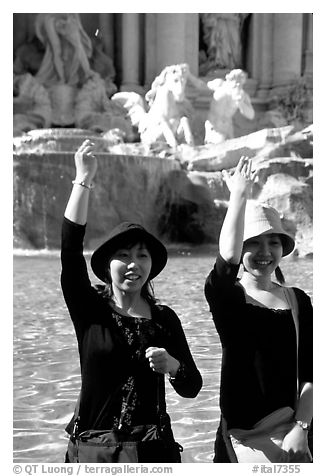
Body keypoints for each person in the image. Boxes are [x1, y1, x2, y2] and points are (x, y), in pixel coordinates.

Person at [61, 140, 202, 463]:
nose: (133, 264)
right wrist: (83, 180)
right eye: (123, 256)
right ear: (107, 265)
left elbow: (192, 386)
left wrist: (174, 366)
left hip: (152, 451)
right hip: (96, 450)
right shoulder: (90, 310)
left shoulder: (164, 318)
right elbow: (69, 252)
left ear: (151, 265)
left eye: (142, 255)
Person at [204, 156, 313, 462]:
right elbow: (226, 261)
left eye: (273, 242)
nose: (265, 252)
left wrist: (301, 428)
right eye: (253, 243)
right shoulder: (228, 298)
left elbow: (312, 370)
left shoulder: (298, 300)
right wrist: (238, 196)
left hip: (294, 433)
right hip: (242, 441)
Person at [205, 69, 255, 144]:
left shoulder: (242, 95)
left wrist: (241, 104)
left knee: (222, 144)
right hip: (212, 124)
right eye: (236, 81)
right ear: (230, 79)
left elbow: (251, 115)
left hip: (226, 127)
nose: (237, 84)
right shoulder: (220, 84)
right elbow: (202, 86)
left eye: (240, 83)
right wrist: (189, 77)